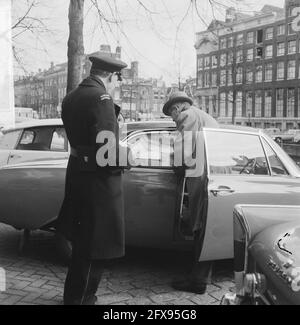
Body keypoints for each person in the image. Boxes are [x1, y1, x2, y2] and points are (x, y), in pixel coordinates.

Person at [56, 54, 128, 305]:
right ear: (110, 76)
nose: (116, 85)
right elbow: (106, 151)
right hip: (98, 182)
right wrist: (126, 159)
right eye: (117, 79)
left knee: (83, 241)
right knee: (95, 246)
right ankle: (82, 299)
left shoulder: (72, 96)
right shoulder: (101, 98)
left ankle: (77, 296)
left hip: (77, 174)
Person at [162, 91, 219, 294]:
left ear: (177, 107)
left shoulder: (188, 115)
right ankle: (201, 278)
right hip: (212, 174)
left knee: (200, 227)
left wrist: (176, 165)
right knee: (206, 227)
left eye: (171, 113)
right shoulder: (201, 116)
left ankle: (197, 281)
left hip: (201, 176)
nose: (173, 118)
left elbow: (183, 145)